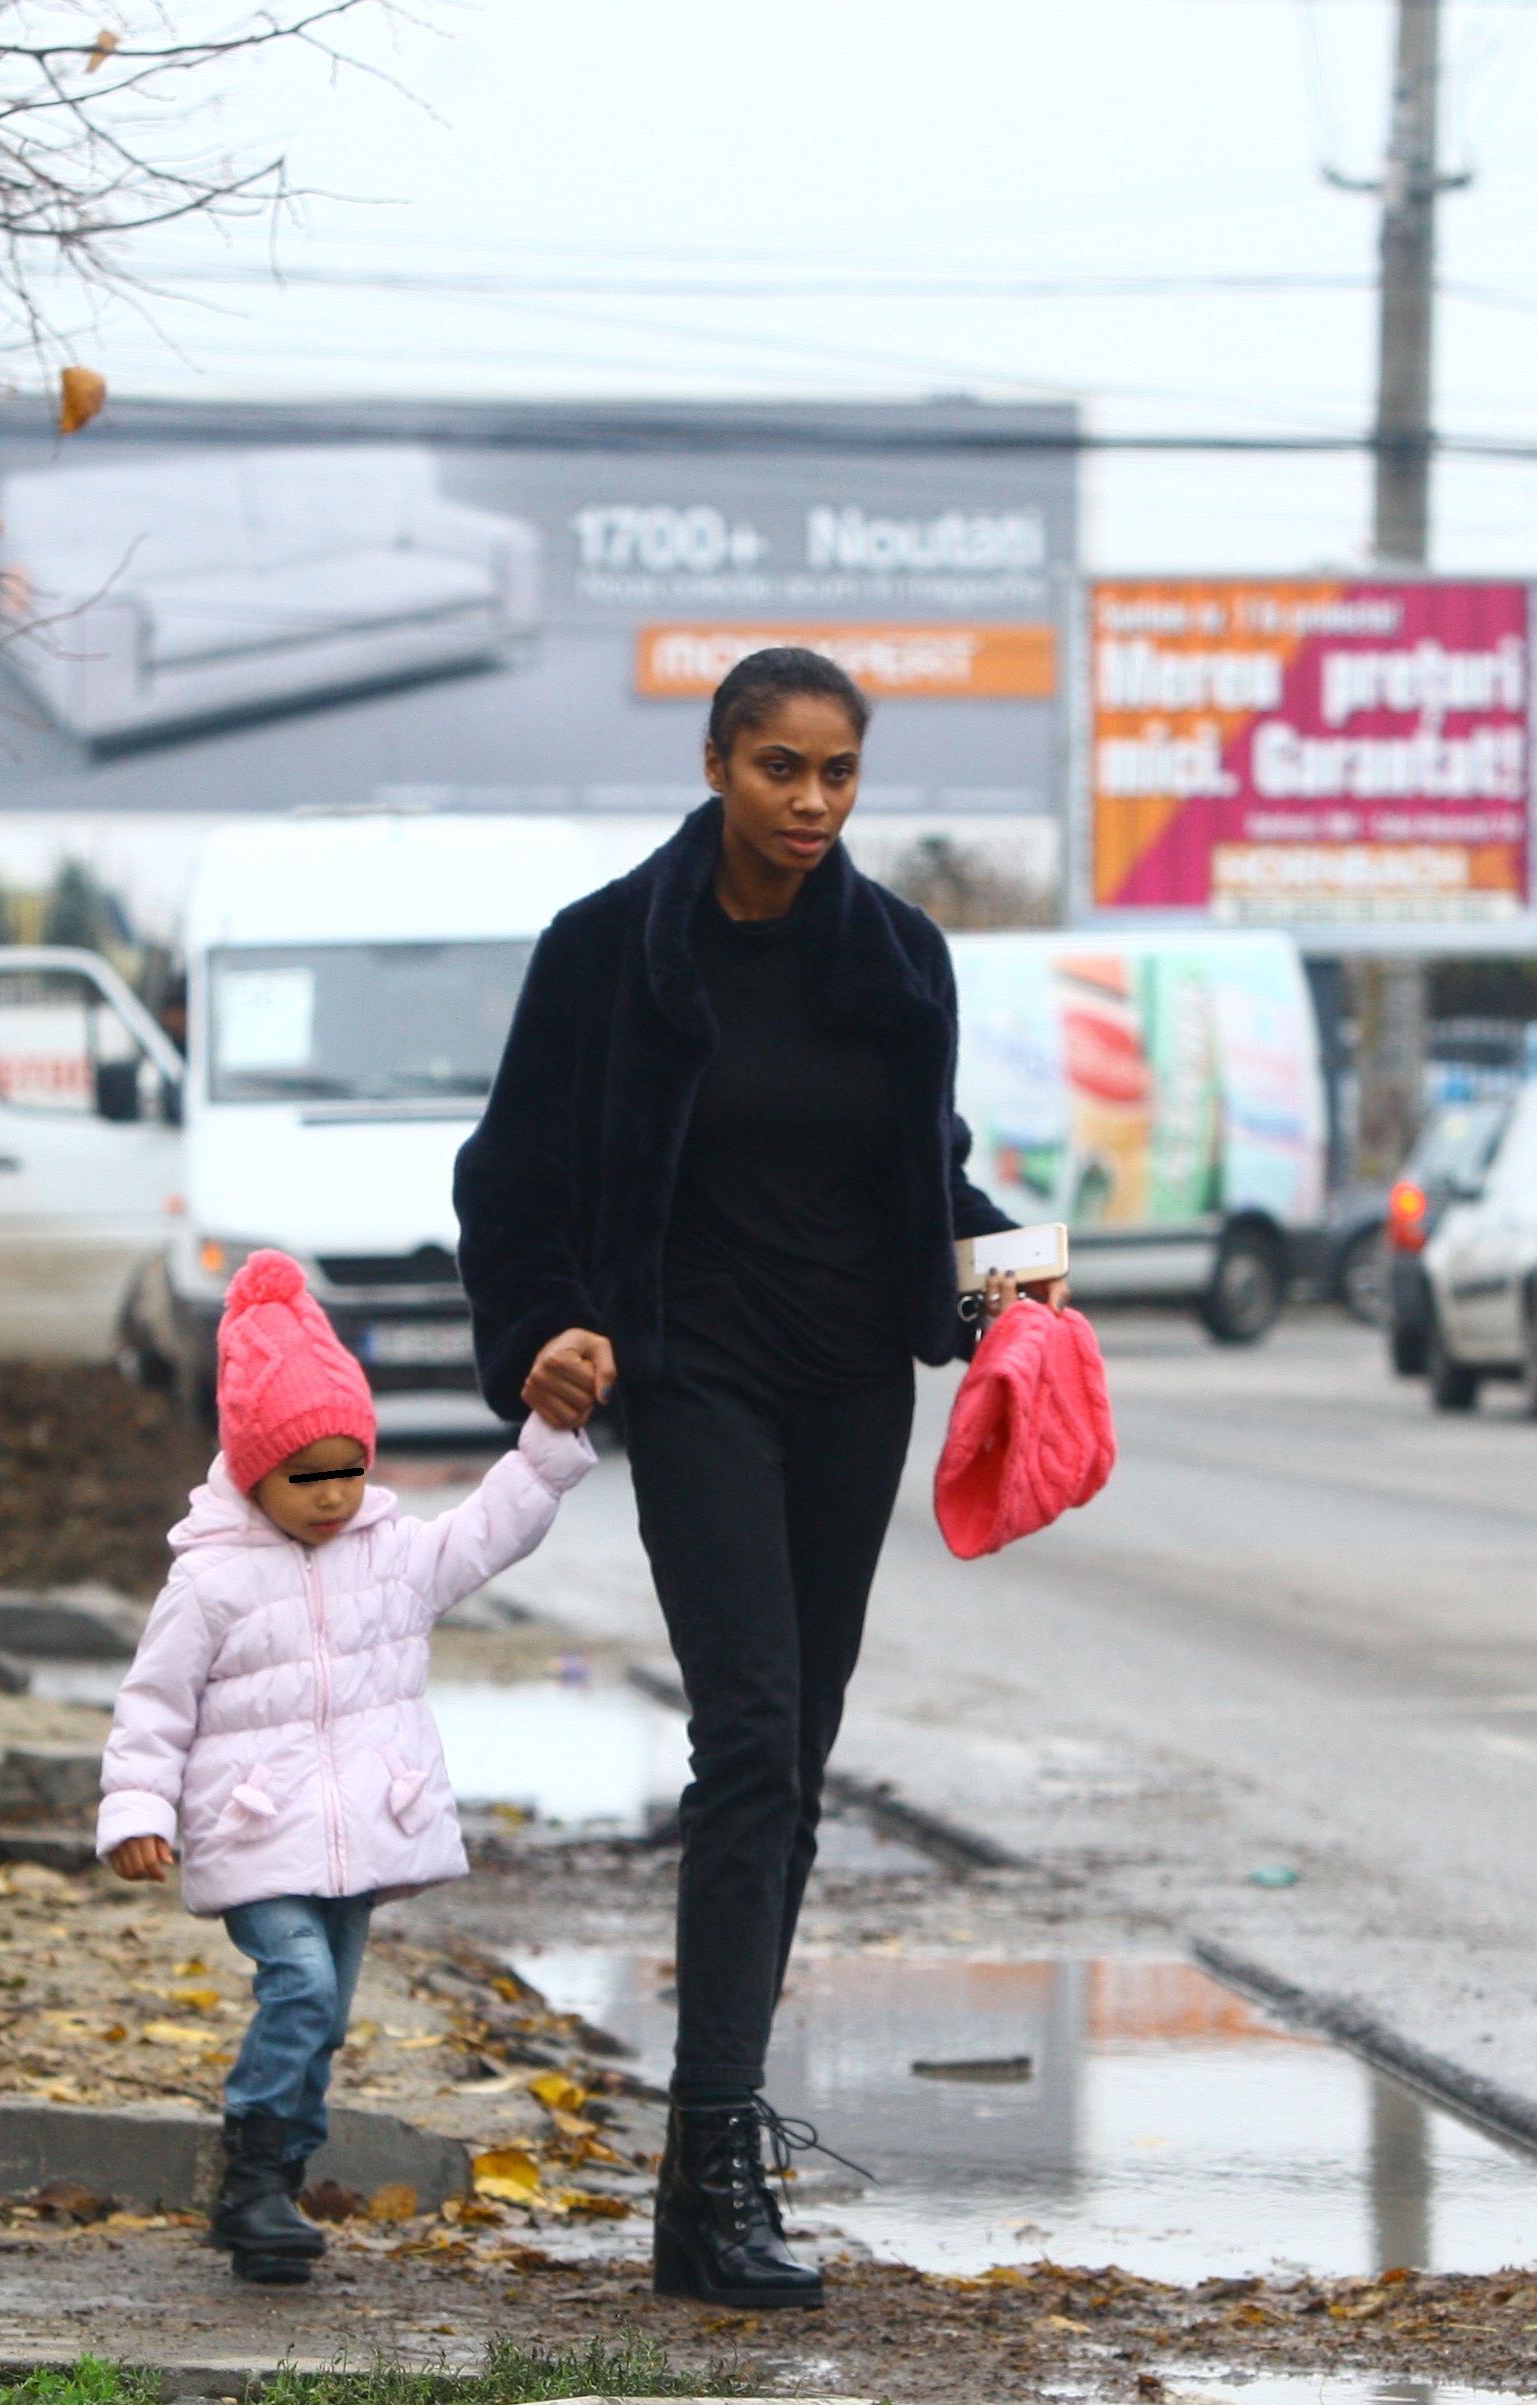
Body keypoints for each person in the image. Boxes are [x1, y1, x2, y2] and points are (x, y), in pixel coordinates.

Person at [453, 644, 1045, 2311]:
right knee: (754, 1728)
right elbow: (506, 1182)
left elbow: (923, 1173)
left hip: (849, 1382)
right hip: (693, 1371)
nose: (809, 801)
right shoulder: (604, 956)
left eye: (838, 772)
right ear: (717, 763)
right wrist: (543, 1331)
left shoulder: (897, 960)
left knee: (797, 1761)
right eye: (779, 767)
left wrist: (1015, 1264)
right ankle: (709, 2164)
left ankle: (706, 2160)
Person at [96, 1248, 595, 2283]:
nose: (330, 1498)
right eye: (302, 1477)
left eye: (349, 1471)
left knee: (322, 2017)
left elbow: (491, 1531)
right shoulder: (213, 1582)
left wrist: (549, 1442)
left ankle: (270, 2187)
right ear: (251, 1470)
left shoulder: (394, 1560)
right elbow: (156, 1700)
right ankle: (255, 2175)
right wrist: (138, 1805)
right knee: (302, 1981)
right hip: (252, 1830)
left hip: (365, 1831)